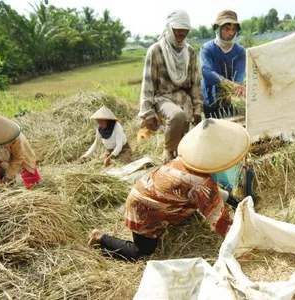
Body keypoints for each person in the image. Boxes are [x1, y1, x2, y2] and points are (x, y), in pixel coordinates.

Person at [88, 118, 250, 261]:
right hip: (142, 209)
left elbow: (211, 194)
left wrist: (236, 201)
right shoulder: (202, 183)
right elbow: (221, 223)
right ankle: (100, 238)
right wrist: (246, 238)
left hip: (144, 191)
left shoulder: (186, 160)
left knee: (193, 210)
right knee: (143, 252)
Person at [138, 10, 202, 162]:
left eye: (185, 29)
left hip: (184, 100)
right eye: (178, 29)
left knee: (184, 147)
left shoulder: (190, 52)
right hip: (163, 98)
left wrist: (198, 108)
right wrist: (148, 113)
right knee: (176, 116)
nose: (182, 33)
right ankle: (167, 152)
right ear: (169, 28)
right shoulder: (156, 51)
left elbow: (195, 83)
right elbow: (148, 83)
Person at [201, 10, 246, 119]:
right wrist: (231, 85)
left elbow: (239, 76)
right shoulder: (207, 49)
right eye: (227, 29)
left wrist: (234, 91)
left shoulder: (240, 52)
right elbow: (207, 72)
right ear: (218, 29)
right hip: (211, 102)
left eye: (233, 30)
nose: (231, 33)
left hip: (231, 102)